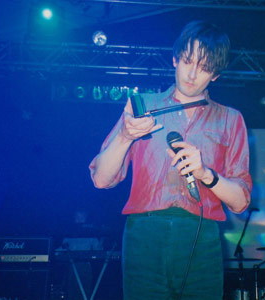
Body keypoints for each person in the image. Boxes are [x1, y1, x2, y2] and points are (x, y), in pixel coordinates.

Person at [89, 20, 252, 300]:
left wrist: (205, 174)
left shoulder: (230, 119)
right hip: (145, 234)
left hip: (201, 238)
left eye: (204, 67)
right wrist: (125, 136)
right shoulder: (143, 106)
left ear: (215, 75)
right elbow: (101, 179)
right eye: (188, 61)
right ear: (175, 59)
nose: (192, 74)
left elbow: (240, 201)